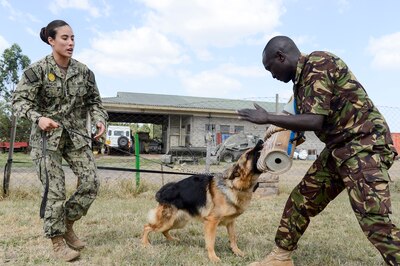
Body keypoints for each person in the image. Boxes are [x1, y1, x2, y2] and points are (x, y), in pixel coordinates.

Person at [237, 36, 399, 266]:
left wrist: (266, 118)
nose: (271, 74)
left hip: (364, 146)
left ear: (281, 57)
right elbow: (306, 122)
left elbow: (314, 121)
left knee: (374, 221)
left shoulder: (319, 63)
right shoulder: (300, 84)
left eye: (270, 68)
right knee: (301, 199)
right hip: (339, 148)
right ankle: (280, 257)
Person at [12, 20, 108, 262]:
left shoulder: (84, 72)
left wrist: (99, 120)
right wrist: (38, 118)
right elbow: (19, 101)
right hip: (47, 139)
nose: (71, 43)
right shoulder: (36, 71)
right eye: (65, 38)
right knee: (54, 190)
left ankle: (66, 223)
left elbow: (95, 102)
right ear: (51, 41)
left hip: (76, 137)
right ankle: (57, 242)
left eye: (73, 38)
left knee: (91, 182)